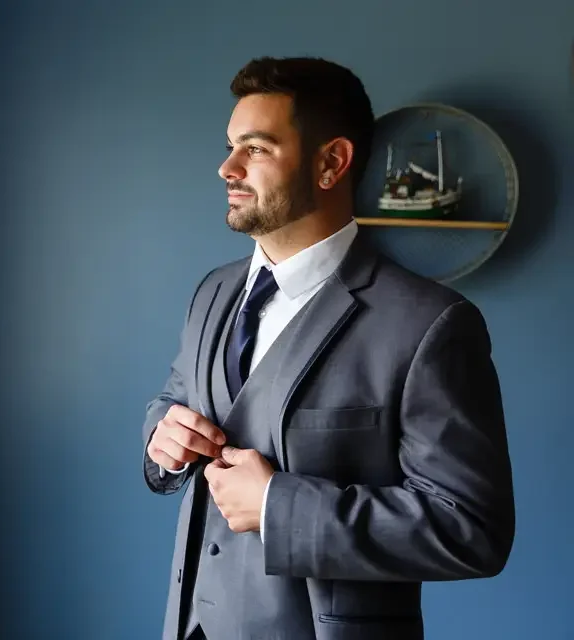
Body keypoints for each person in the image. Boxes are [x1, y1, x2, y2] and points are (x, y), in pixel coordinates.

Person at [141, 56, 515, 640]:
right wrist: (164, 443)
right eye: (230, 145)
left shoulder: (431, 325)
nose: (227, 167)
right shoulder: (212, 292)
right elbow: (171, 404)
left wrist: (277, 507)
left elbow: (470, 529)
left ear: (331, 162)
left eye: (256, 148)